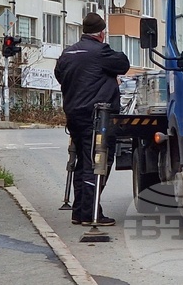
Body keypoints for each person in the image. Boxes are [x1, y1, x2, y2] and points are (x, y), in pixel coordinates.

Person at [54, 13, 130, 226]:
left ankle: (79, 210)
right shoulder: (101, 52)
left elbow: (60, 75)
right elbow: (123, 63)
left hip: (74, 116)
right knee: (97, 161)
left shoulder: (67, 53)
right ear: (102, 33)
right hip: (96, 117)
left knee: (81, 162)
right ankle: (90, 212)